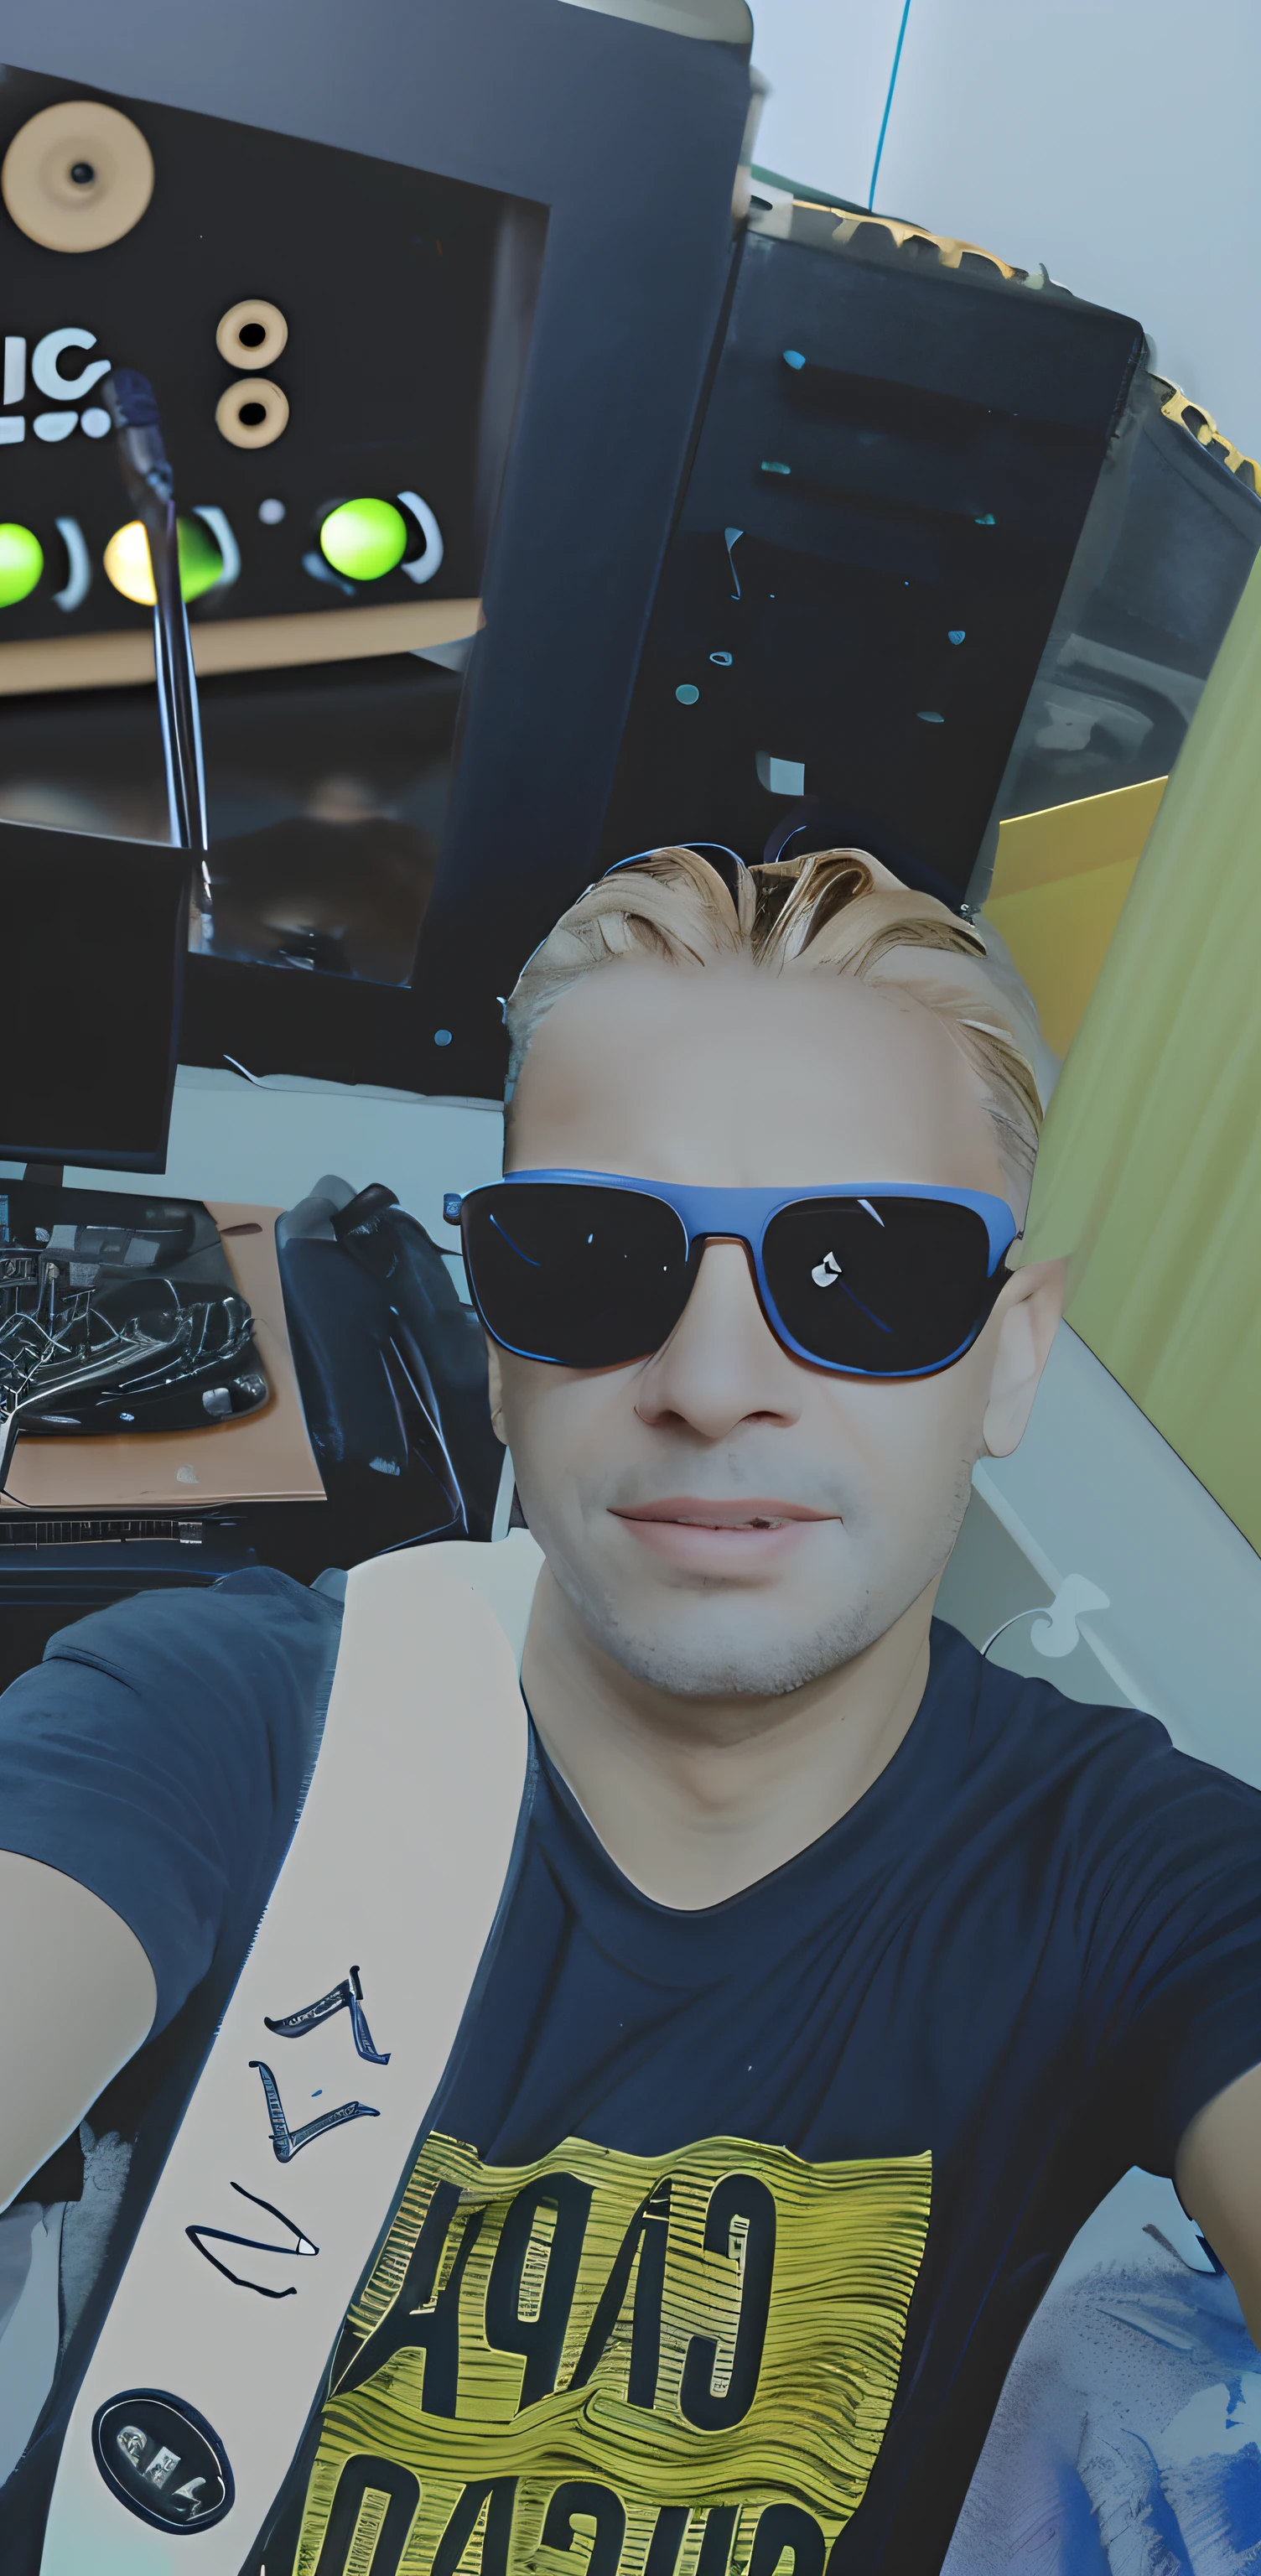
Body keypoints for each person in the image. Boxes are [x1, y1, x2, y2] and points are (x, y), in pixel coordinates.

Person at [2, 844, 1260, 2576]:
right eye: (590, 1259)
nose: (713, 1384)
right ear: (497, 1346)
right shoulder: (214, 1723)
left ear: (1012, 1355)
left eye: (866, 1272)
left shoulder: (1141, 1883)